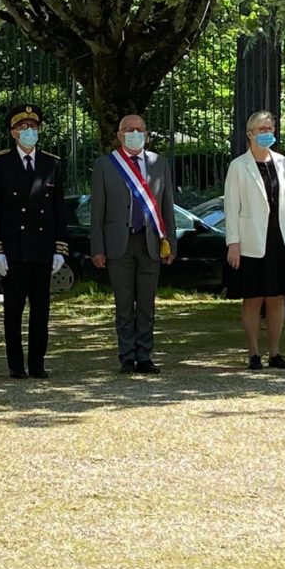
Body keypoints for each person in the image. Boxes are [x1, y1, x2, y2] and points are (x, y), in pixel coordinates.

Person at [90, 114, 177, 374]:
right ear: (119, 135)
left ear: (146, 134)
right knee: (124, 304)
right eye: (129, 129)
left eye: (140, 129)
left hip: (150, 242)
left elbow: (167, 206)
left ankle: (145, 356)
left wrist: (170, 242)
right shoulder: (105, 165)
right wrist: (97, 247)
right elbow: (97, 212)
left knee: (147, 303)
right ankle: (127, 357)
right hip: (119, 244)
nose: (135, 133)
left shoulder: (158, 163)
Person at [0, 104, 68, 379]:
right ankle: (15, 364)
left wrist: (60, 247)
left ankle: (37, 363)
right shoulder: (0, 162)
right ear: (13, 132)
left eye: (33, 127)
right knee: (13, 310)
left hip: (42, 248)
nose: (29, 131)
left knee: (41, 311)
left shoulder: (51, 163)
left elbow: (58, 210)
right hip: (13, 249)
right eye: (23, 127)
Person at [223, 110, 285, 370]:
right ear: (250, 134)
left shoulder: (283, 163)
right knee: (253, 298)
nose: (267, 133)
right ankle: (253, 352)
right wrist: (233, 243)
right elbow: (232, 207)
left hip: (281, 239)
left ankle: (275, 352)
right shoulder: (239, 166)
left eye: (270, 128)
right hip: (252, 241)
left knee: (277, 298)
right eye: (262, 129)